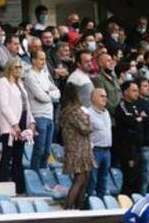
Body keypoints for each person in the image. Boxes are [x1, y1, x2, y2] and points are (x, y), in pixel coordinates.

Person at [0, 59, 33, 191]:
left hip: (22, 121)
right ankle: (2, 182)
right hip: (10, 124)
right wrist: (14, 124)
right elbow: (4, 106)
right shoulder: (3, 82)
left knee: (18, 155)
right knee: (8, 153)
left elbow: (26, 105)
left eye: (20, 67)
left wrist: (31, 122)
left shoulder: (20, 84)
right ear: (10, 67)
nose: (19, 69)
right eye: (16, 67)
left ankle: (19, 186)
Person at [60, 82, 94, 210]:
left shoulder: (68, 110)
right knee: (79, 180)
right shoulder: (73, 111)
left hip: (81, 149)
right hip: (77, 149)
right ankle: (68, 210)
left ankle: (78, 210)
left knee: (84, 180)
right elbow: (86, 128)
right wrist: (88, 119)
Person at [87, 87, 113, 200]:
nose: (105, 99)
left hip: (107, 150)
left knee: (104, 179)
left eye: (105, 96)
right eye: (101, 96)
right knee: (92, 179)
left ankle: (101, 202)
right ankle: (88, 204)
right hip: (95, 150)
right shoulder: (88, 113)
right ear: (93, 98)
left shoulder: (106, 112)